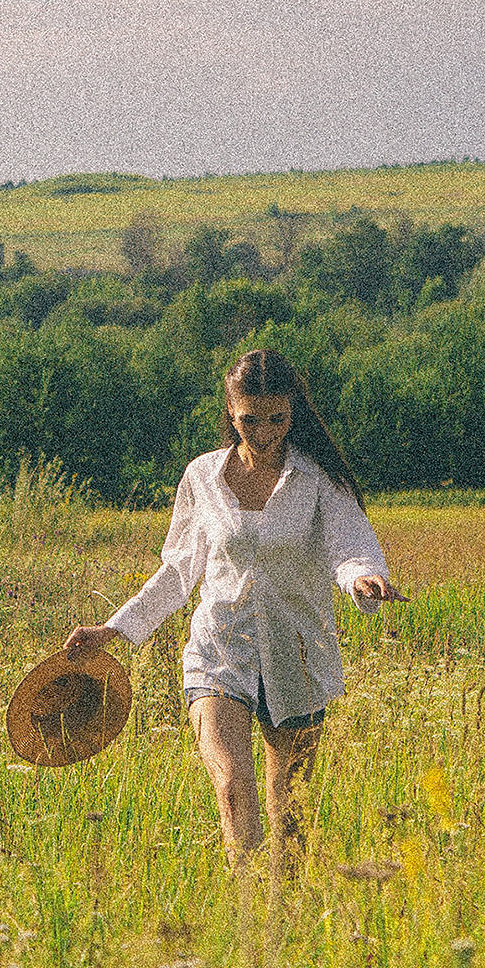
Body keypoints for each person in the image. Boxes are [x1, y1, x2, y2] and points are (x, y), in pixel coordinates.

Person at [65, 347, 402, 866]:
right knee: (232, 790)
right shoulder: (202, 478)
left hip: (298, 659)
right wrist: (113, 630)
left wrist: (363, 578)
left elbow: (350, 546)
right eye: (250, 419)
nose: (264, 433)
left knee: (290, 815)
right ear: (230, 411)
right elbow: (179, 571)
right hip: (218, 653)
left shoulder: (318, 480)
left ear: (293, 413)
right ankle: (245, 911)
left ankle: (284, 923)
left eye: (277, 419)